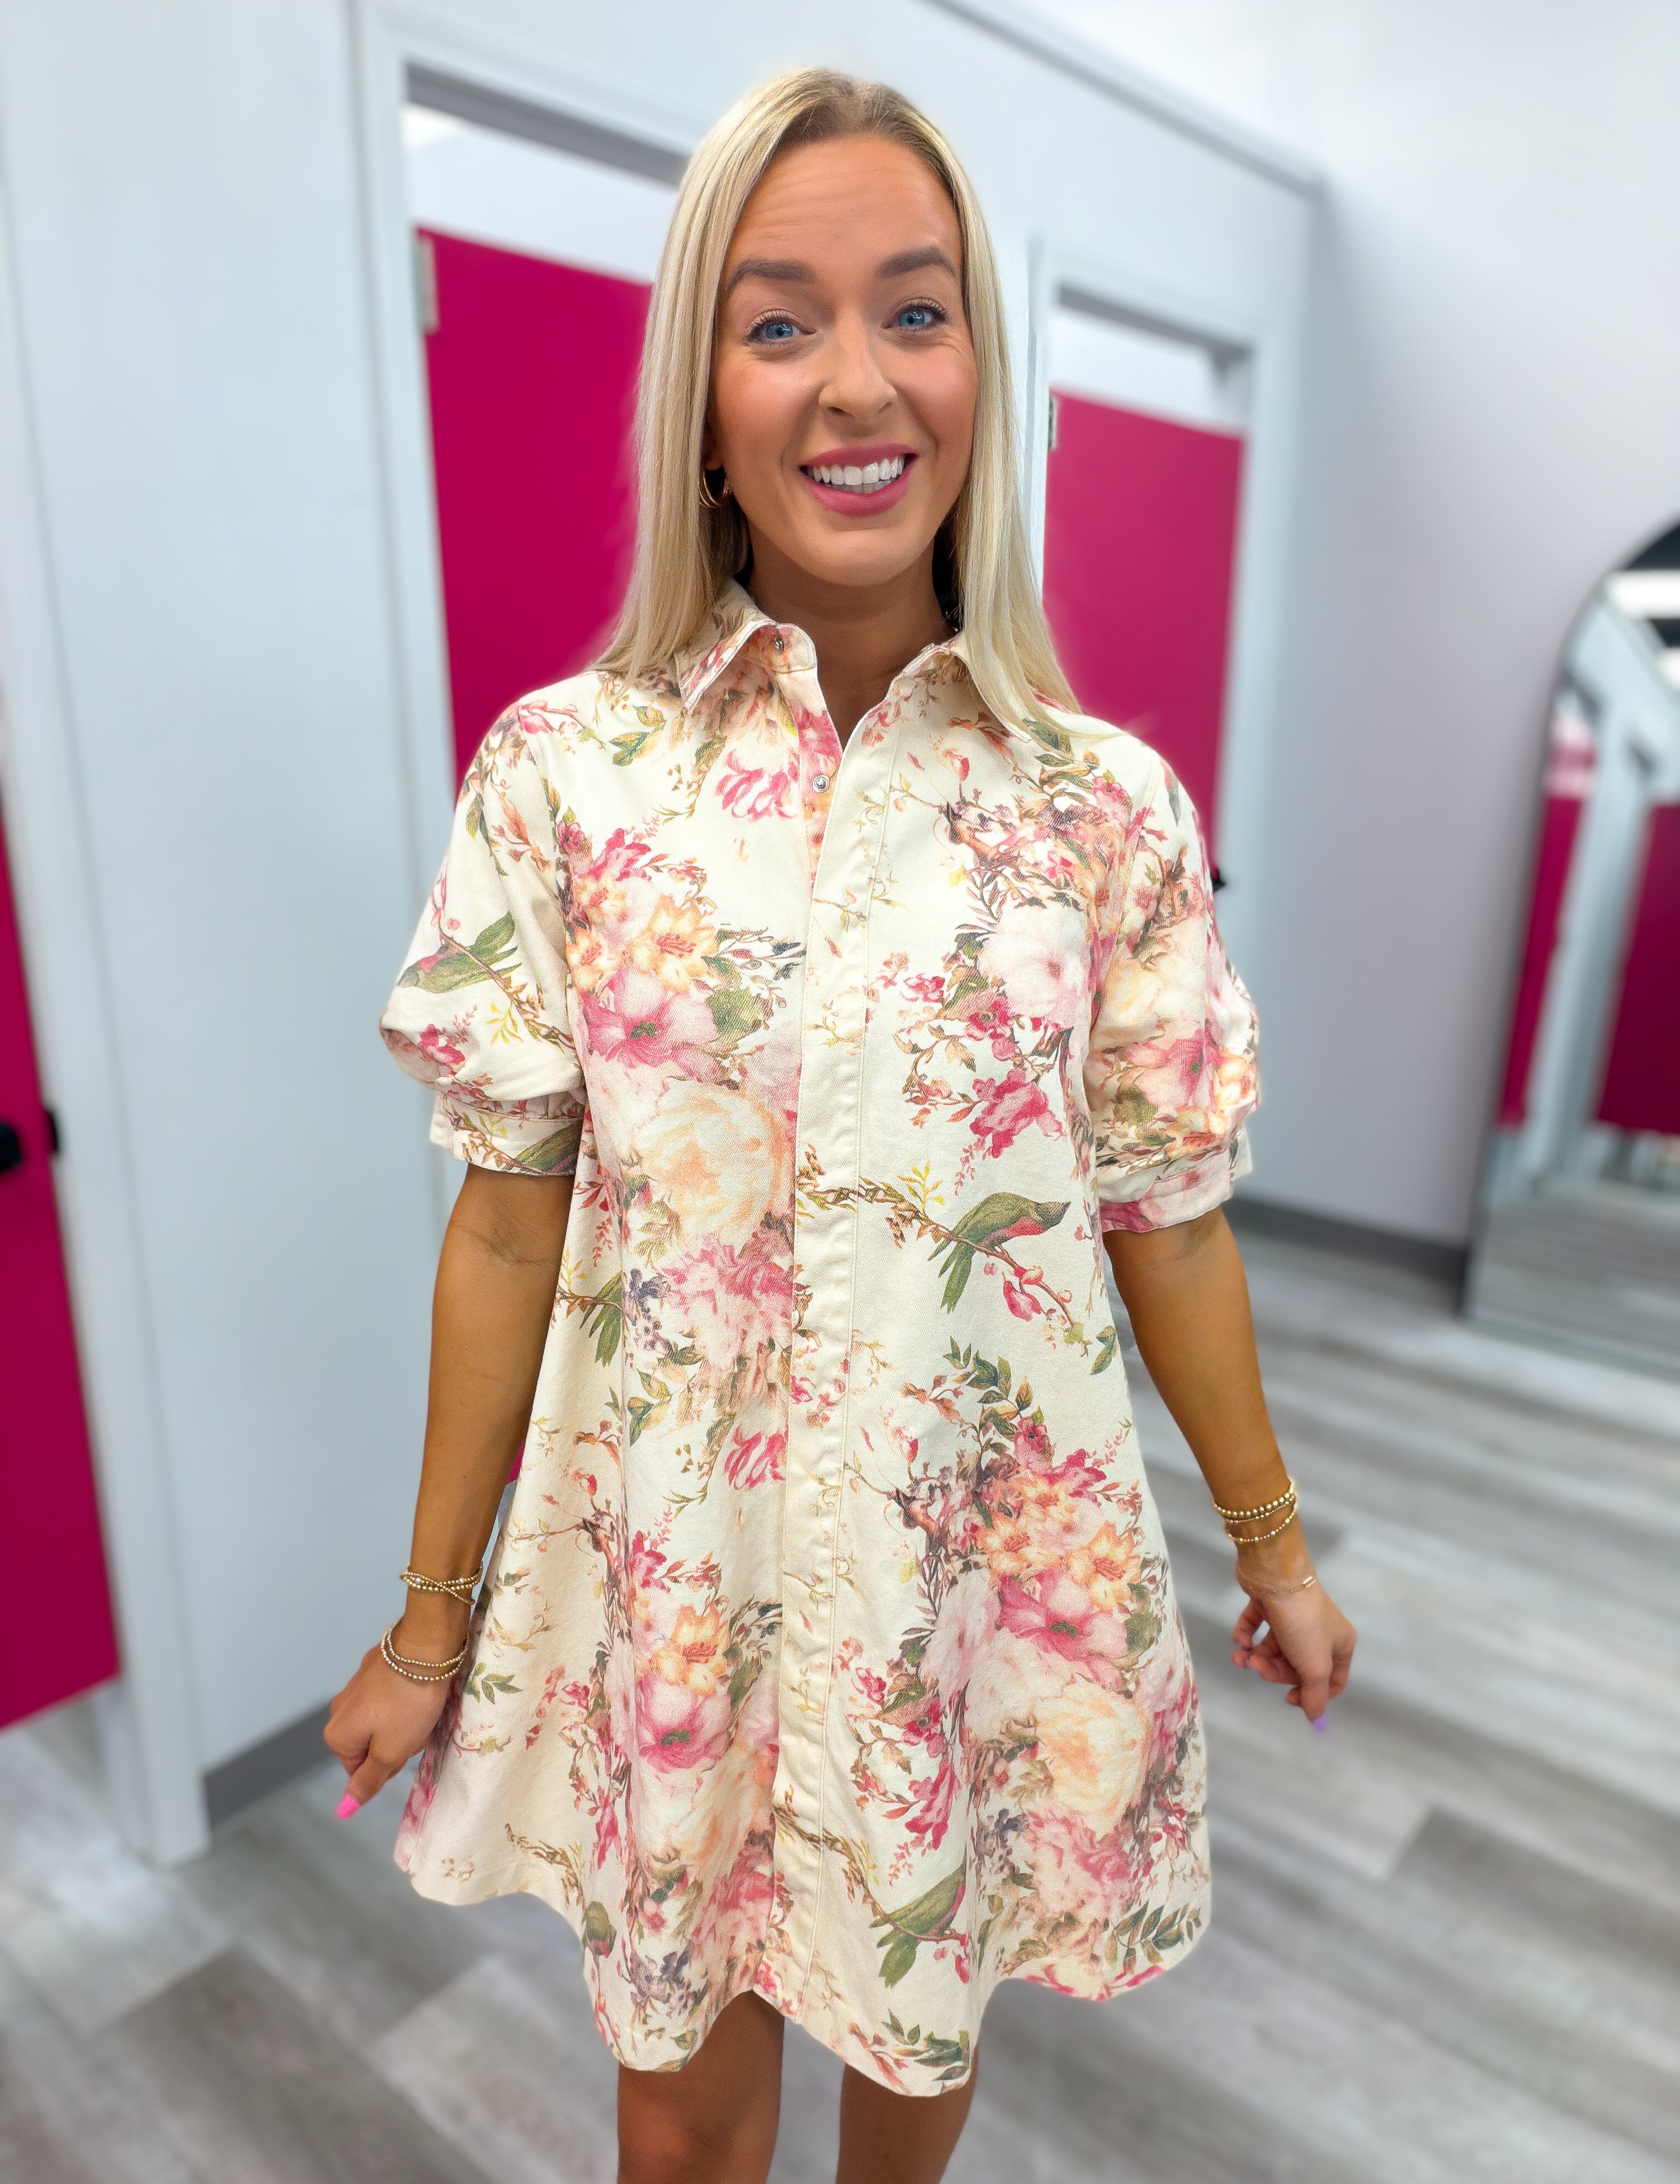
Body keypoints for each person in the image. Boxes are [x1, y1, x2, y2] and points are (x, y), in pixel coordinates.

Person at [326, 66, 1356, 2184]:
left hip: (969, 1574)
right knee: (681, 2122)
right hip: (680, 1586)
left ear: (982, 370)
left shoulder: (1105, 813)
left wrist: (1275, 1547)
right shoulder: (567, 777)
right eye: (780, 321)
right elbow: (506, 1228)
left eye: (917, 309)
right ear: (702, 405)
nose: (858, 381)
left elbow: (1168, 1217)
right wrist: (429, 1620)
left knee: (918, 2029)